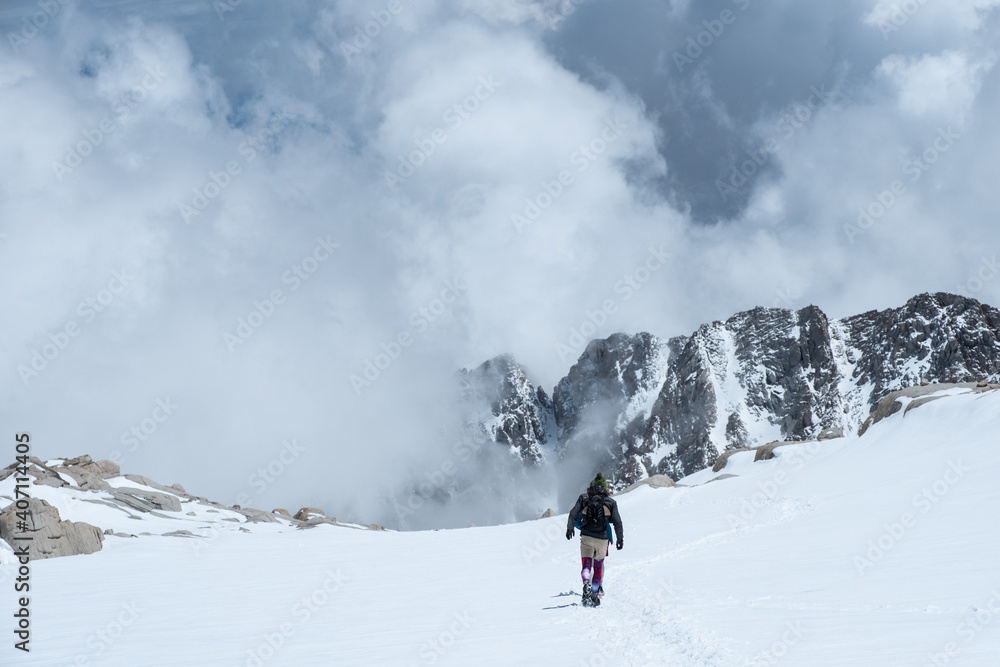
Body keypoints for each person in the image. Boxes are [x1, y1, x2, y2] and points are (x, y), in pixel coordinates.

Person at [566, 472, 623, 607]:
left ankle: (586, 582)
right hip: (602, 540)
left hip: (586, 537)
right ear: (605, 488)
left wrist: (570, 528)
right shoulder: (611, 502)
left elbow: (573, 513)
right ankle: (594, 594)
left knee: (586, 566)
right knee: (598, 568)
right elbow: (617, 522)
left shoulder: (583, 498)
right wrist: (620, 538)